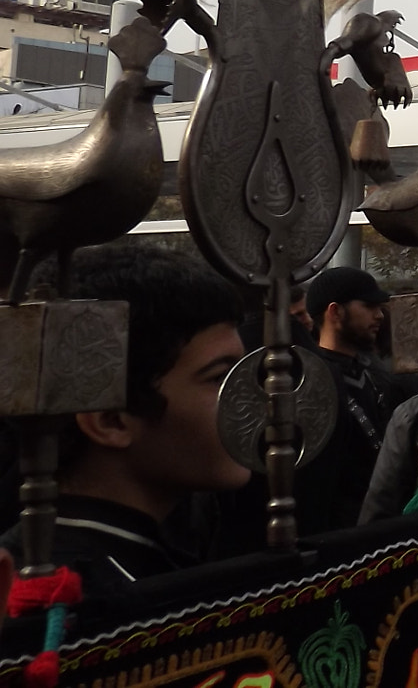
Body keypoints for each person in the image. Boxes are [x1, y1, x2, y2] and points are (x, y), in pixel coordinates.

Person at [0, 246, 250, 595]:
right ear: (111, 420)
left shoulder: (141, 559)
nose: (251, 398)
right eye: (219, 377)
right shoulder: (61, 602)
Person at [296, 267, 418, 534]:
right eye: (369, 306)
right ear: (335, 312)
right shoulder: (309, 383)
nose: (379, 315)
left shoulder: (375, 375)